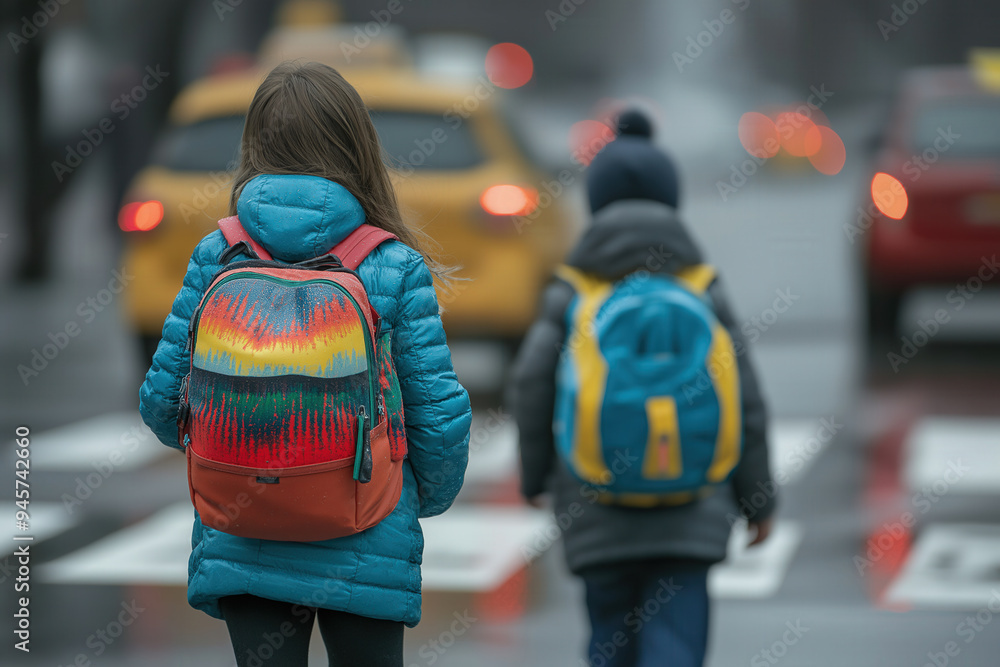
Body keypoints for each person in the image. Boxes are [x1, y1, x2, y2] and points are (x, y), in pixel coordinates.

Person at [139, 61, 472, 667]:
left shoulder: (219, 254)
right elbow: (439, 420)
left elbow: (163, 406)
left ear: (254, 144)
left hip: (243, 533)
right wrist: (413, 499)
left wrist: (242, 454)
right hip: (366, 528)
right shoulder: (391, 264)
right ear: (358, 147)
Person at [510, 109, 776, 667]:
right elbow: (745, 396)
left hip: (596, 505)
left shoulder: (574, 289)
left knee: (611, 639)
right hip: (692, 511)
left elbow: (532, 384)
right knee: (676, 646)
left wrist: (535, 477)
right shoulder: (701, 285)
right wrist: (758, 499)